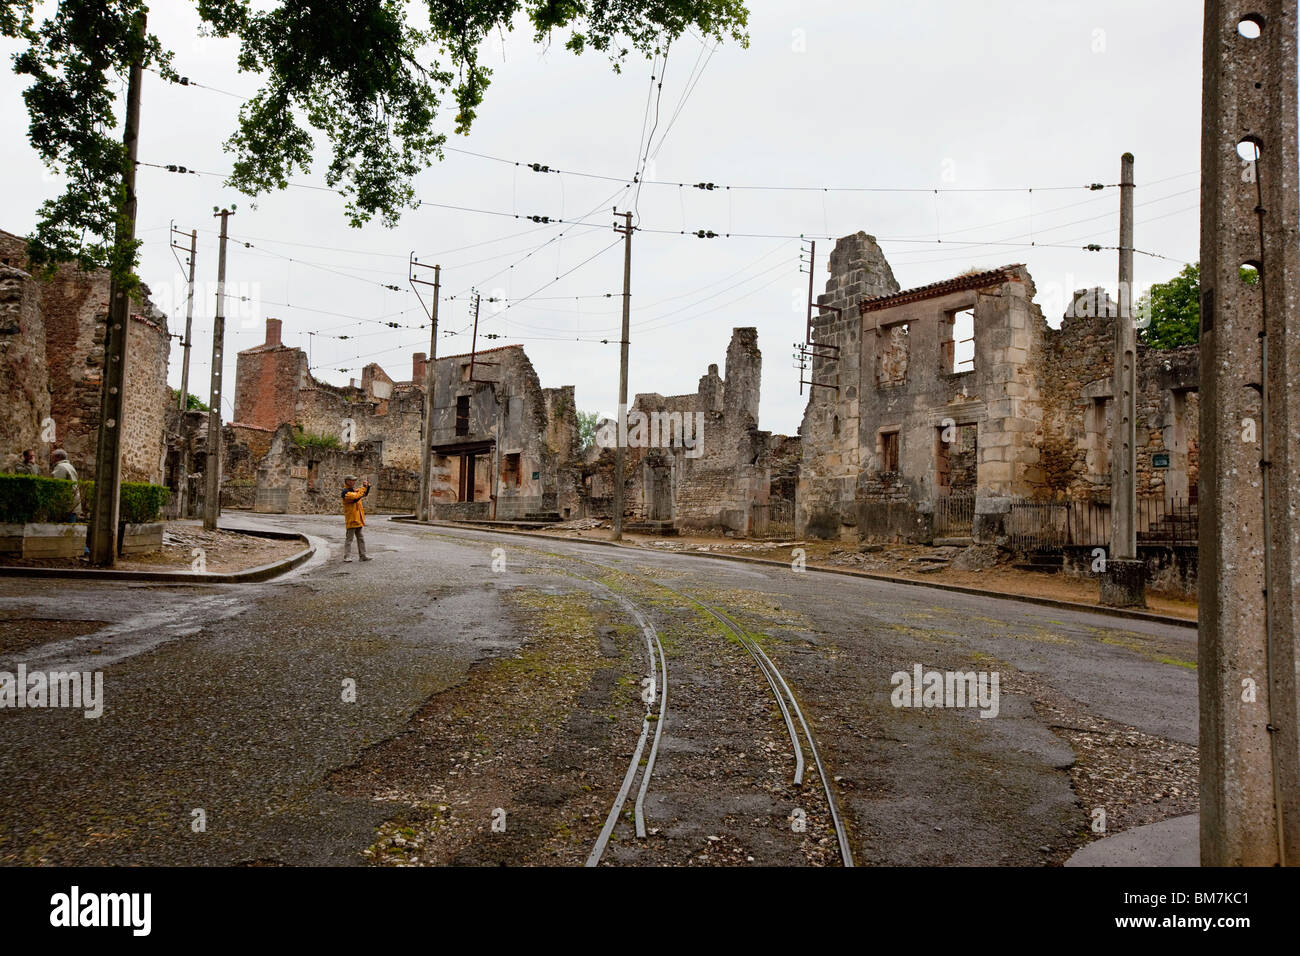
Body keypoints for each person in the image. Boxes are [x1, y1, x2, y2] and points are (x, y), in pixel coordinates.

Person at [341, 474, 372, 562]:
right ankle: (347, 556)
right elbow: (356, 497)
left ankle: (363, 556)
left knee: (361, 538)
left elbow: (363, 494)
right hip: (351, 519)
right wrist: (363, 488)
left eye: (354, 480)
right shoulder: (345, 492)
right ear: (347, 481)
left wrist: (367, 486)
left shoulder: (354, 490)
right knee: (349, 539)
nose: (354, 482)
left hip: (358, 519)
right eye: (352, 480)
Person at [50, 449, 80, 521]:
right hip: (73, 502)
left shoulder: (60, 467)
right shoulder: (69, 466)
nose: (51, 459)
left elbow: (58, 485)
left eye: (52, 457)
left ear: (58, 457)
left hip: (65, 504)